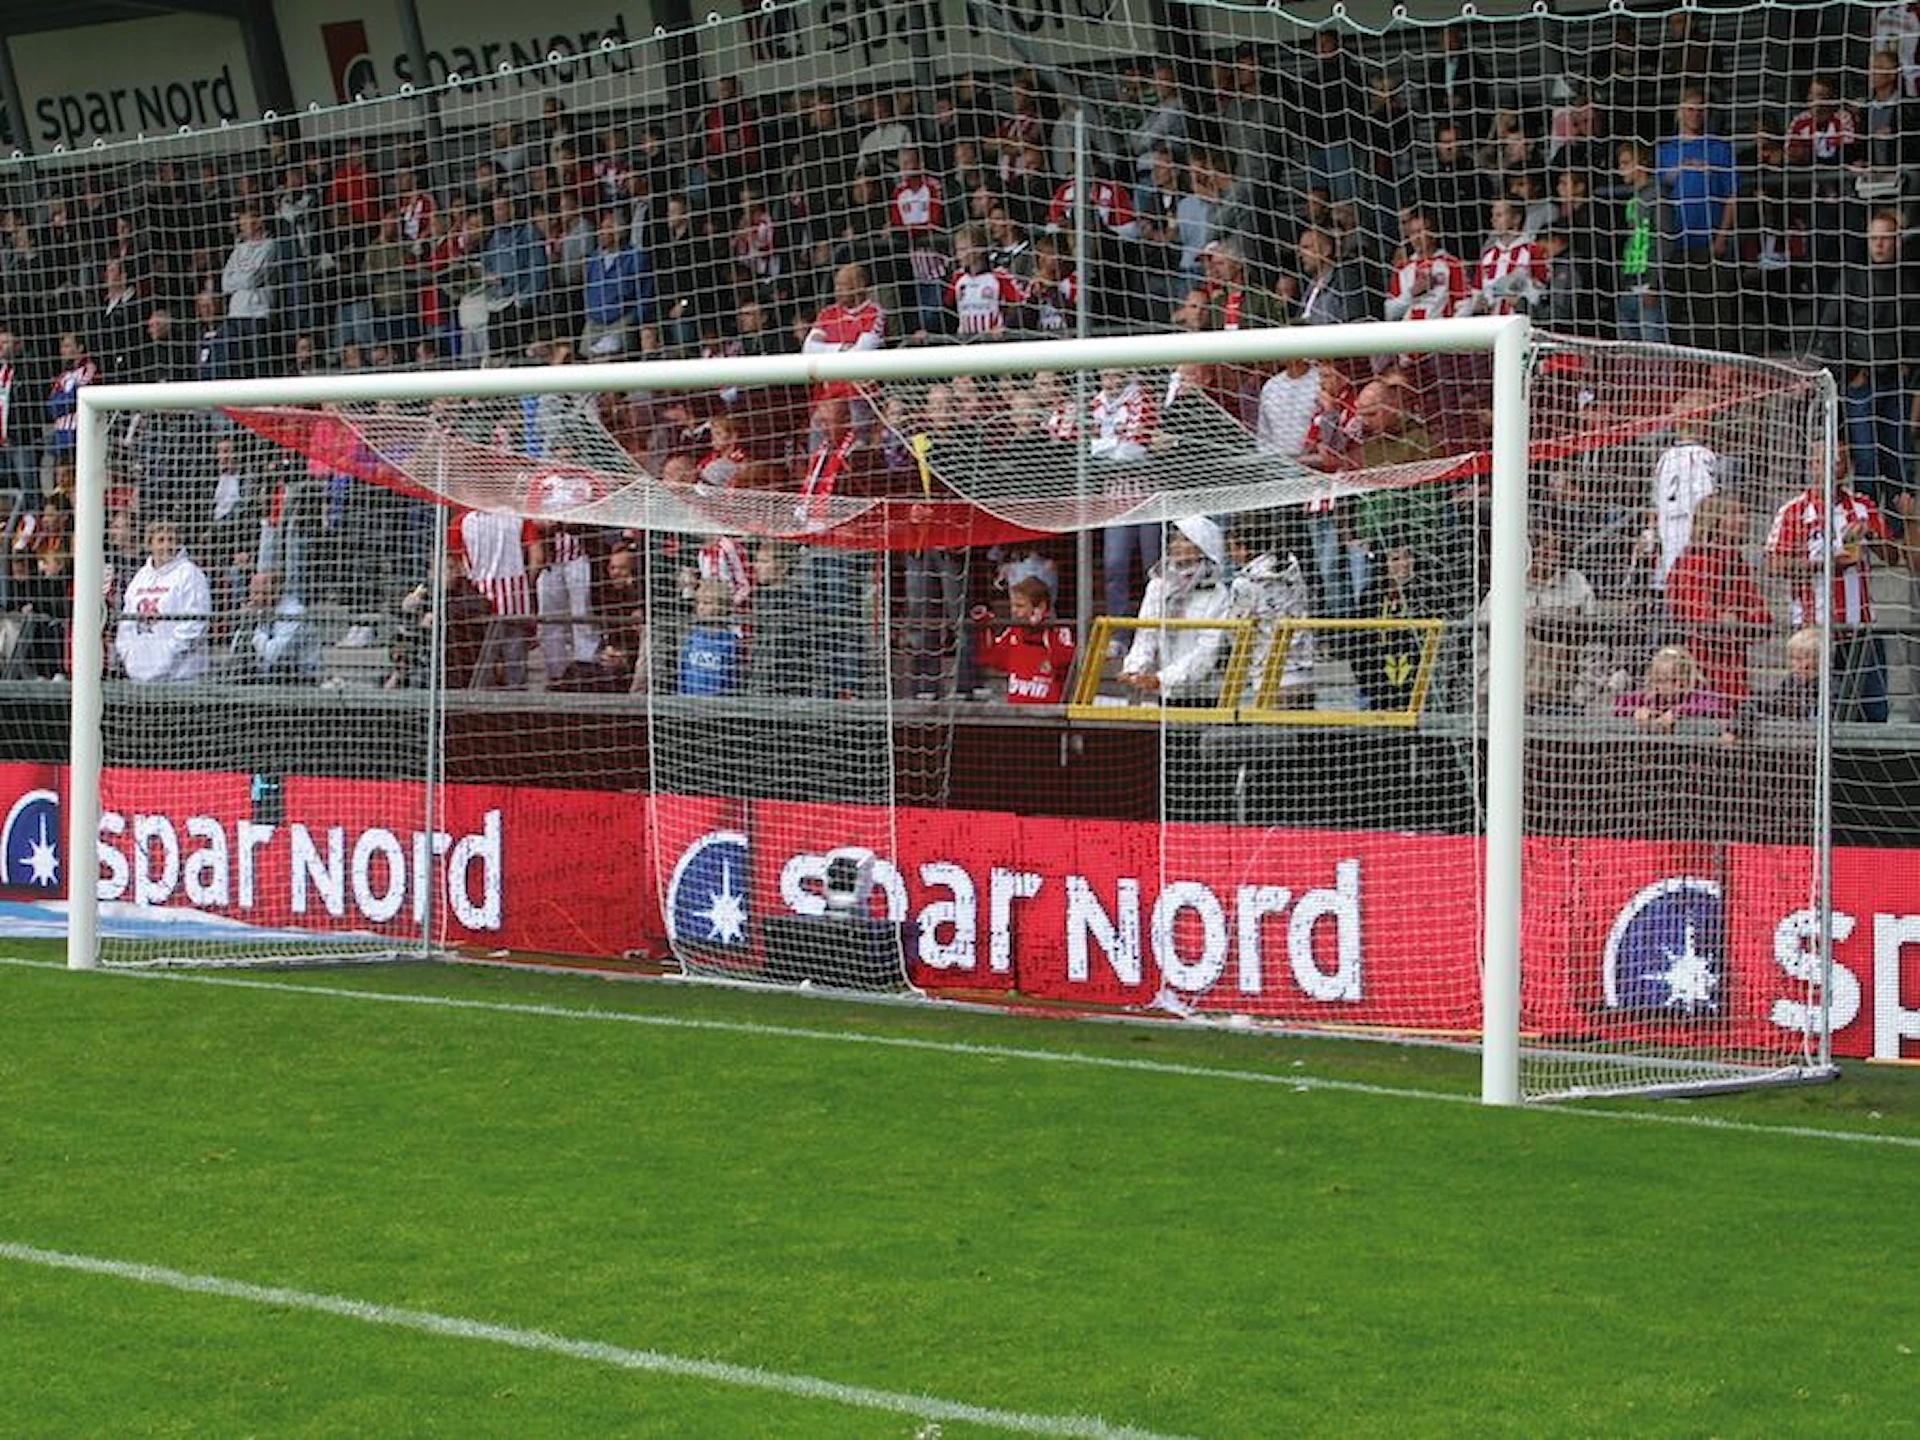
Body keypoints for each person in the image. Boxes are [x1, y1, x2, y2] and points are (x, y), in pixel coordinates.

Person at [1765, 449, 1904, 723]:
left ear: (1848, 467)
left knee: (1873, 711)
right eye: (1820, 460)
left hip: (1859, 628)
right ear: (1811, 465)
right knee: (1817, 714)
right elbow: (1774, 565)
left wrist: (1871, 536)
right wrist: (1829, 563)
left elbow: (1893, 557)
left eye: (1836, 460)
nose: (1827, 466)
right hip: (1813, 630)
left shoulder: (1863, 507)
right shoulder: (1794, 511)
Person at [1663, 493, 1772, 705]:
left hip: (1734, 670)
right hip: (1700, 669)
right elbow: (1700, 618)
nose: (1744, 520)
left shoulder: (1738, 563)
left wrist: (1739, 620)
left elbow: (1763, 620)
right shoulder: (1696, 561)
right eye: (1735, 514)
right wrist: (1736, 621)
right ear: (1715, 521)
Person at [1118, 516, 1230, 704]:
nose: (1176, 545)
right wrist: (1134, 668)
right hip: (1166, 692)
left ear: (1202, 546)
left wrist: (1164, 678)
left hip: (1205, 693)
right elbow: (1146, 633)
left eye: (1185, 540)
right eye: (1174, 539)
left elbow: (1209, 649)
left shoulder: (1217, 593)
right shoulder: (1158, 585)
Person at [1227, 513, 1314, 708]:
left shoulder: (1244, 583)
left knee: (1274, 725)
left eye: (1231, 547)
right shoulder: (1292, 568)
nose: (1230, 554)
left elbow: (1236, 630)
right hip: (1303, 670)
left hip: (1269, 674)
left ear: (1242, 549)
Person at [115, 519, 211, 683]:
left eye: (171, 539)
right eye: (160, 540)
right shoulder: (140, 578)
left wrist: (166, 656)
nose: (166, 545)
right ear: (150, 545)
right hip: (139, 676)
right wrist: (129, 655)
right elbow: (126, 624)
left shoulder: (190, 574)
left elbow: (195, 623)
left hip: (182, 678)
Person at [971, 574, 1076, 704]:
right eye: (1013, 606)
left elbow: (1065, 660)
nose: (1014, 611)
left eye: (1020, 606)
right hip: (1016, 710)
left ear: (1040, 607)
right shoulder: (1014, 630)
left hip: (1049, 711)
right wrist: (984, 627)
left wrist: (1042, 627)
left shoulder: (1058, 630)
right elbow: (991, 658)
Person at [1723, 626, 1823, 744]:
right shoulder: (1792, 683)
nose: (1795, 665)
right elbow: (1765, 703)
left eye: (1801, 659)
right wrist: (1735, 728)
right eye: (1793, 659)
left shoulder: (1831, 686)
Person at [230, 568, 321, 684]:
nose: (254, 599)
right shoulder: (261, 610)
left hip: (301, 678)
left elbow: (273, 655)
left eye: (259, 593)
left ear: (276, 592)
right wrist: (247, 625)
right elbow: (235, 651)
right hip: (267, 677)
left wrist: (255, 630)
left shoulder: (294, 613)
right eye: (252, 593)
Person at [1615, 644, 1730, 731]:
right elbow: (1620, 704)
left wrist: (1678, 712)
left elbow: (1719, 707)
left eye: (1673, 680)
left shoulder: (1697, 696)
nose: (1665, 686)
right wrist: (1637, 712)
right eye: (1659, 681)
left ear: (1686, 679)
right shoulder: (1650, 698)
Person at [678, 576, 742, 696]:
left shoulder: (730, 641)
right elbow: (683, 674)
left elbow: (733, 678)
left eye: (707, 603)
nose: (701, 607)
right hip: (690, 701)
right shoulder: (691, 639)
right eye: (699, 602)